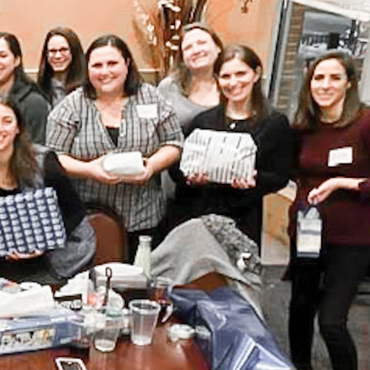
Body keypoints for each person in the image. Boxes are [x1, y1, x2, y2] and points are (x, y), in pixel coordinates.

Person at [283, 50, 370, 370]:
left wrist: (341, 184)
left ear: (349, 82)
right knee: (300, 307)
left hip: (352, 239)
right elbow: (296, 173)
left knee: (332, 319)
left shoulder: (366, 123)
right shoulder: (304, 125)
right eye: (319, 78)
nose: (325, 86)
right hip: (307, 232)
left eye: (334, 78)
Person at [46, 34, 183, 254]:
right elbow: (53, 156)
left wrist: (153, 167)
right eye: (97, 65)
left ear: (127, 64)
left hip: (145, 217)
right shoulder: (72, 105)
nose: (104, 72)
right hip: (90, 221)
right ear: (87, 68)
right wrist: (89, 170)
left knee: (139, 282)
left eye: (112, 63)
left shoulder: (151, 97)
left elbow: (174, 142)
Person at [167, 45, 293, 243]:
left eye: (241, 73)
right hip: (195, 215)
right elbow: (176, 168)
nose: (234, 82)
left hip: (243, 220)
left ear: (256, 74)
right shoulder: (203, 121)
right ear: (217, 78)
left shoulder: (274, 123)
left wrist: (254, 179)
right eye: (226, 76)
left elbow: (280, 176)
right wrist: (190, 178)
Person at [0, 95, 95, 284]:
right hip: (0, 264)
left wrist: (44, 244)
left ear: (18, 128)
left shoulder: (44, 162)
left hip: (52, 261)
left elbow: (74, 215)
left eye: (7, 121)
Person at [157, 23, 224, 130]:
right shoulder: (169, 87)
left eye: (201, 43)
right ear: (183, 57)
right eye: (188, 48)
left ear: (218, 47)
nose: (196, 51)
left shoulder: (235, 81)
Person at [36, 27, 86, 104]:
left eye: (63, 50)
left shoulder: (87, 89)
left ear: (74, 52)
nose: (57, 56)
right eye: (53, 51)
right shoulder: (38, 90)